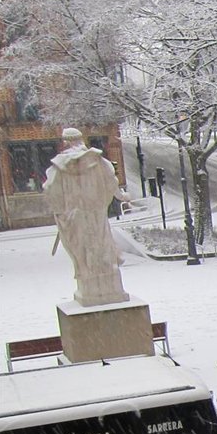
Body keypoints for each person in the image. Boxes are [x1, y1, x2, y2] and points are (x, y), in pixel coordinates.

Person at [43, 128, 131, 307]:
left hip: (75, 215)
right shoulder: (99, 161)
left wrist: (61, 209)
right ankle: (108, 282)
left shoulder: (59, 167)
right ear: (80, 140)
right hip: (96, 213)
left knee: (82, 248)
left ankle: (90, 281)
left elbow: (51, 191)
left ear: (65, 142)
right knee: (101, 244)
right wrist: (121, 197)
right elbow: (112, 183)